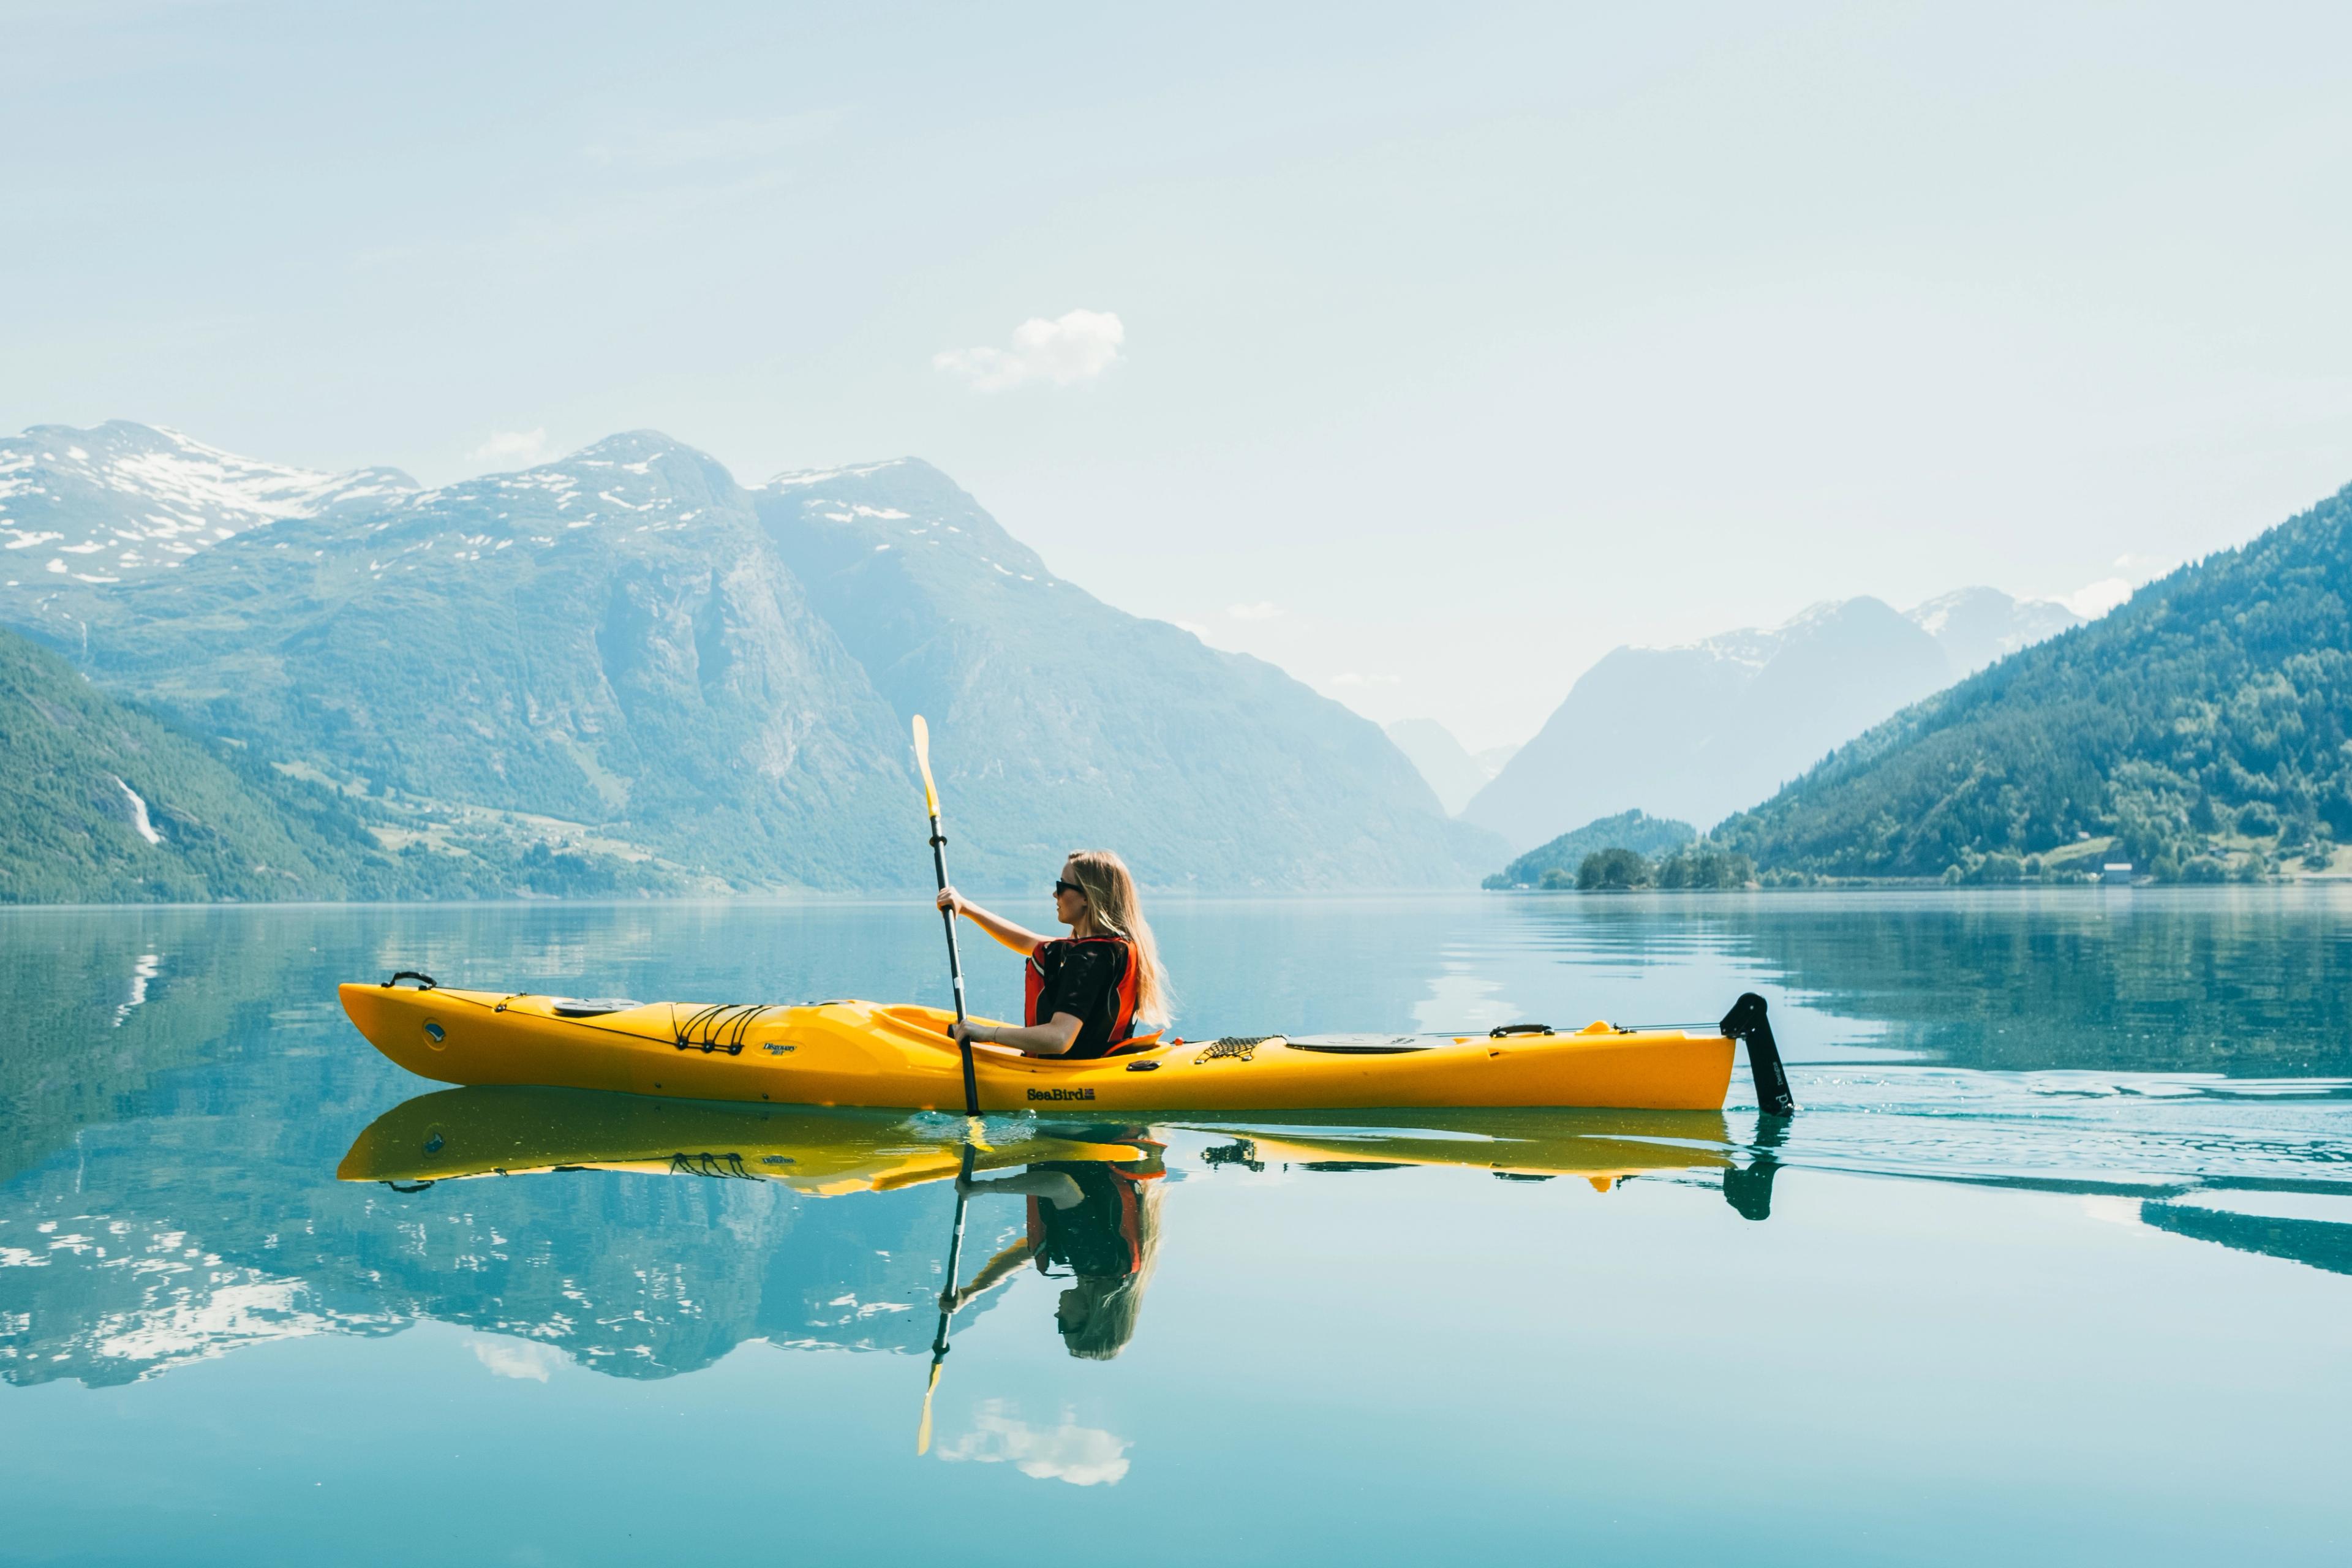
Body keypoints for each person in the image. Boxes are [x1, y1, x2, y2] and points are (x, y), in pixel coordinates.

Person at [938, 1136, 1168, 1360]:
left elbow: (1027, 1252)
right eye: (1063, 1325)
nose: (1057, 1315)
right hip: (1083, 1138)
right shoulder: (1094, 1262)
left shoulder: (1114, 1268)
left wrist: (971, 1292)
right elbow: (1060, 1185)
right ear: (1091, 1317)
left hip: (1102, 1140)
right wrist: (985, 1187)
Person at [933, 850, 1172, 1058]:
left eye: (1061, 887)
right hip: (1104, 1061)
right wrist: (966, 908)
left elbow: (1059, 1039)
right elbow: (1028, 941)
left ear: (1087, 898)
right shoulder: (1115, 946)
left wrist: (987, 1034)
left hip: (1070, 1077)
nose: (1055, 895)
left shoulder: (1088, 958)